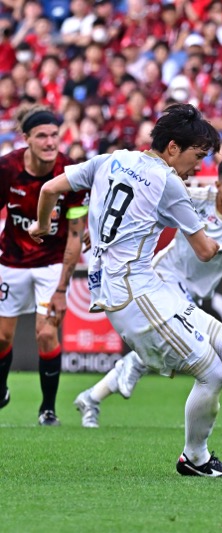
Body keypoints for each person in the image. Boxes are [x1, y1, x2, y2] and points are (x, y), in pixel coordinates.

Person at [29, 104, 222, 477]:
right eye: (197, 156)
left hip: (141, 284)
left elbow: (50, 188)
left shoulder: (110, 159)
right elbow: (205, 249)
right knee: (212, 372)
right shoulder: (169, 183)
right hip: (133, 291)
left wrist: (41, 226)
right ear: (172, 149)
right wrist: (220, 244)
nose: (199, 167)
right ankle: (194, 458)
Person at [73, 156, 222, 428]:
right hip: (165, 277)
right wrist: (102, 227)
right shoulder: (196, 197)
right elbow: (140, 200)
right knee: (202, 351)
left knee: (158, 350)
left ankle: (92, 397)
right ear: (218, 184)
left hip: (197, 291)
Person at [0, 105, 87, 426]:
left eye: (54, 135)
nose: (50, 142)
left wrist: (63, 288)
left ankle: (48, 409)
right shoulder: (6, 169)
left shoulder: (71, 173)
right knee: (1, 338)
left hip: (52, 264)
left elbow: (76, 236)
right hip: (10, 260)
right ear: (26, 139)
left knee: (46, 334)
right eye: (42, 136)